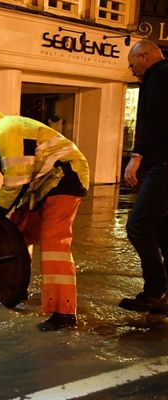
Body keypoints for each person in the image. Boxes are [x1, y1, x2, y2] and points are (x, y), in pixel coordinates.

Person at [0, 102, 89, 331]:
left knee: (53, 243)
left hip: (66, 177)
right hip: (43, 182)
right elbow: (18, 178)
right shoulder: (0, 134)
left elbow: (17, 180)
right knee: (17, 229)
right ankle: (13, 289)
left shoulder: (6, 130)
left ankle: (64, 313)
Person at [119, 39, 168, 313]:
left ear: (145, 55)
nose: (132, 70)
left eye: (132, 63)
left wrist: (136, 156)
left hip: (162, 165)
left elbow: (156, 121)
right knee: (163, 230)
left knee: (138, 227)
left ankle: (154, 291)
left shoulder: (158, 75)